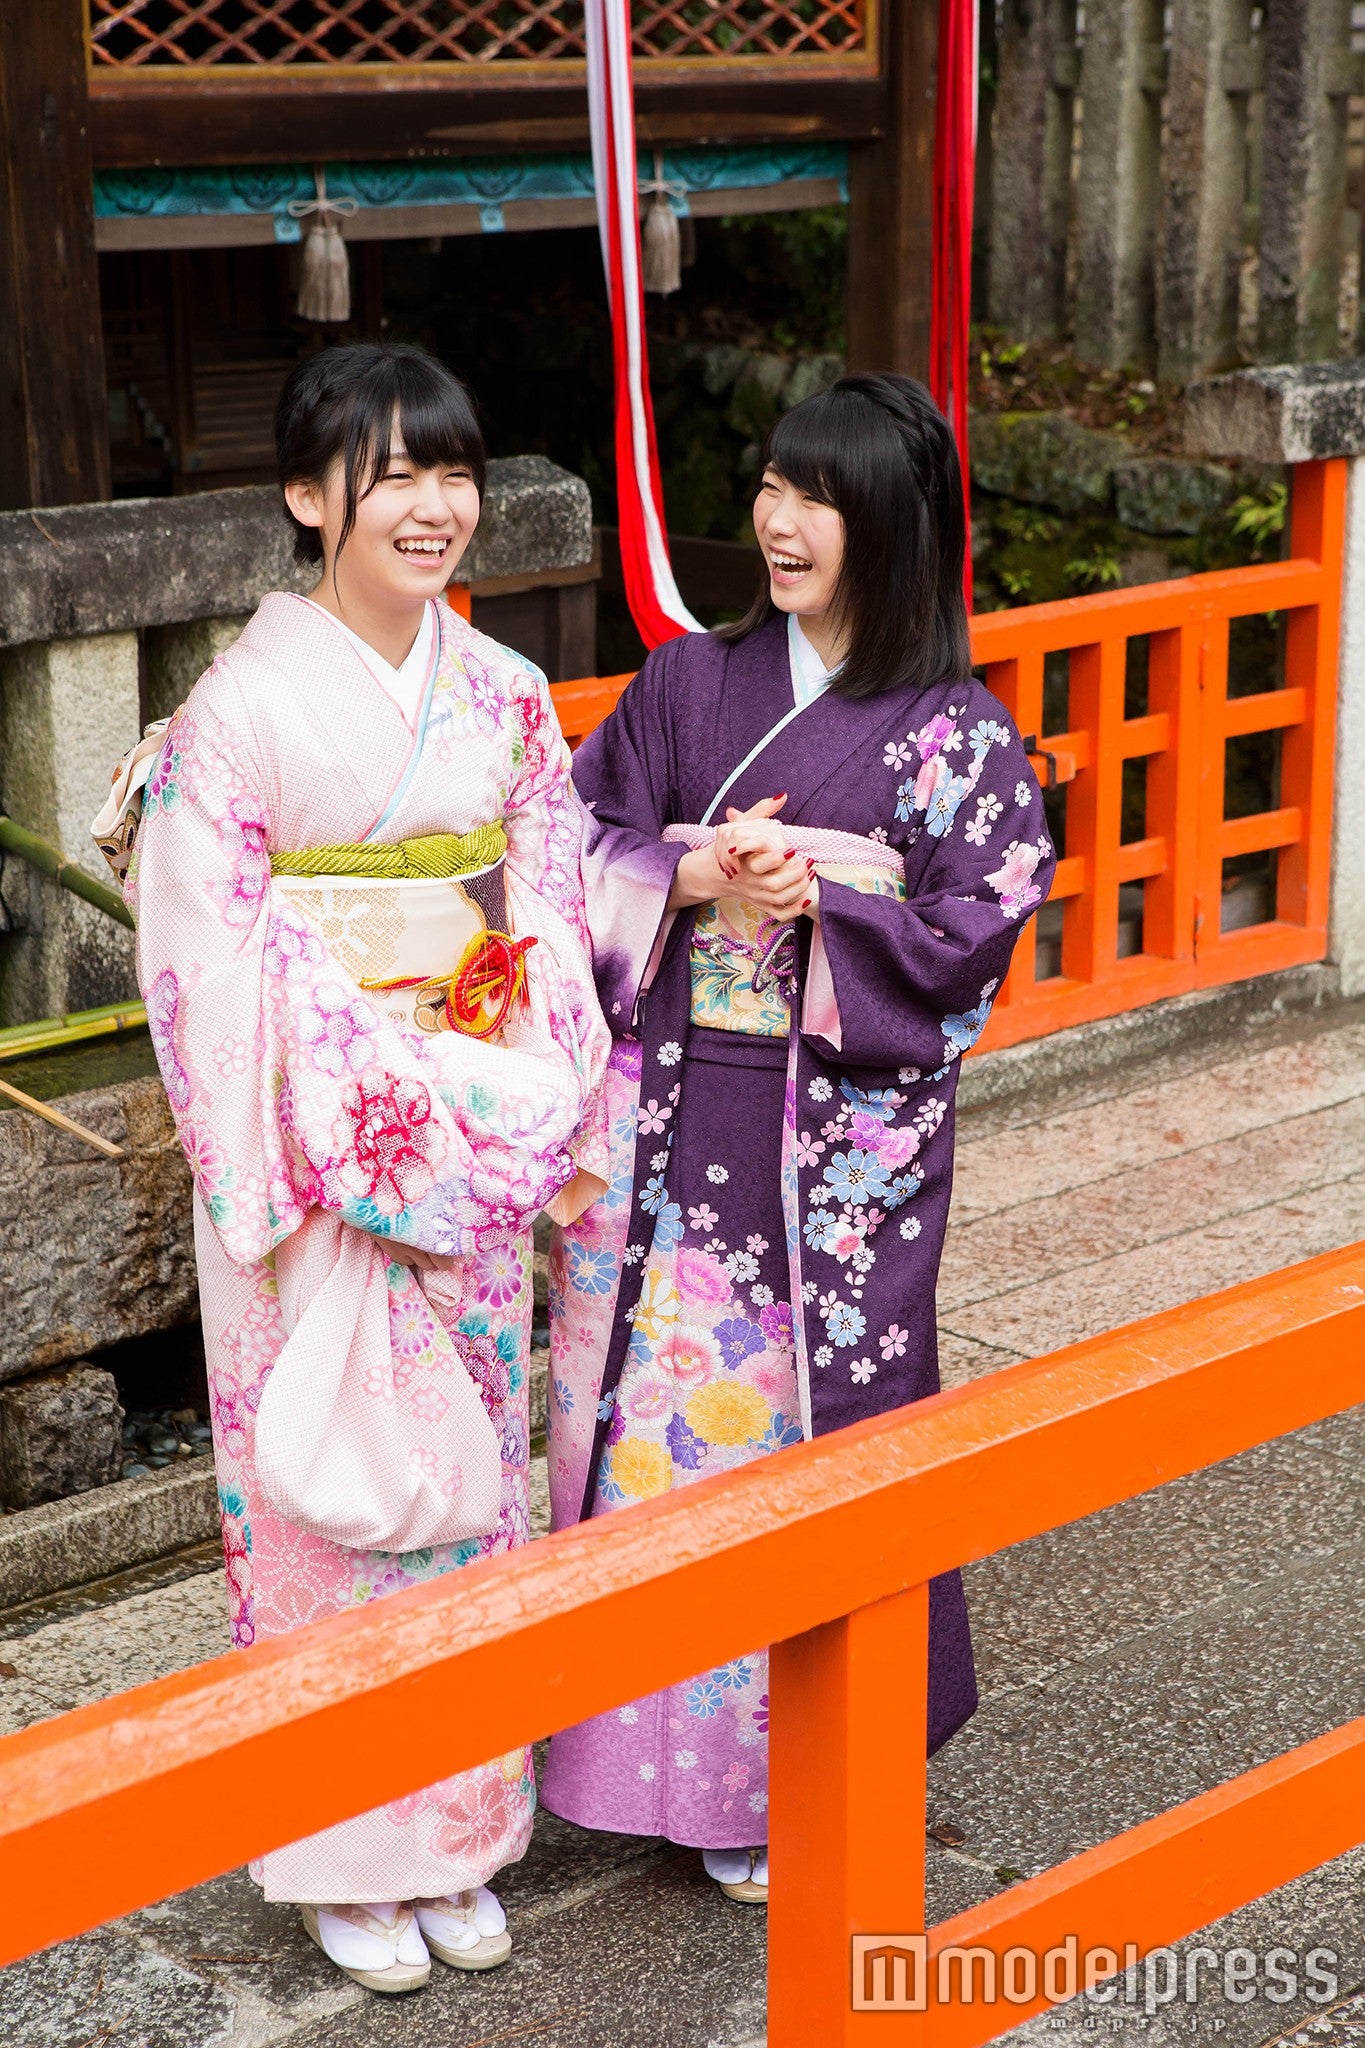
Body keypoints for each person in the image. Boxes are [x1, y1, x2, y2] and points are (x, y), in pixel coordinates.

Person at [121, 342, 610, 1992]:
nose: (432, 506)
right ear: (309, 494)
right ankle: (341, 1844)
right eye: (392, 473)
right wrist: (360, 1102)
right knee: (327, 1502)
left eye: (452, 473)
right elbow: (204, 953)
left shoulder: (505, 696)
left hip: (455, 1142)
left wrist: (481, 1088)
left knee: (465, 1499)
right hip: (315, 1167)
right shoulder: (237, 713)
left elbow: (535, 899)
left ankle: (461, 1827)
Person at [540, 373, 1055, 1904]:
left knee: (796, 1436)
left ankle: (787, 1771)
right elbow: (574, 845)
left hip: (827, 1143)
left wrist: (824, 899)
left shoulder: (954, 732)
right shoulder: (691, 680)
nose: (776, 519)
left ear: (892, 524)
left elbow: (979, 921)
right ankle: (624, 1762)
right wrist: (691, 882)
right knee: (652, 1433)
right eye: (769, 484)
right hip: (672, 1123)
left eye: (815, 496)